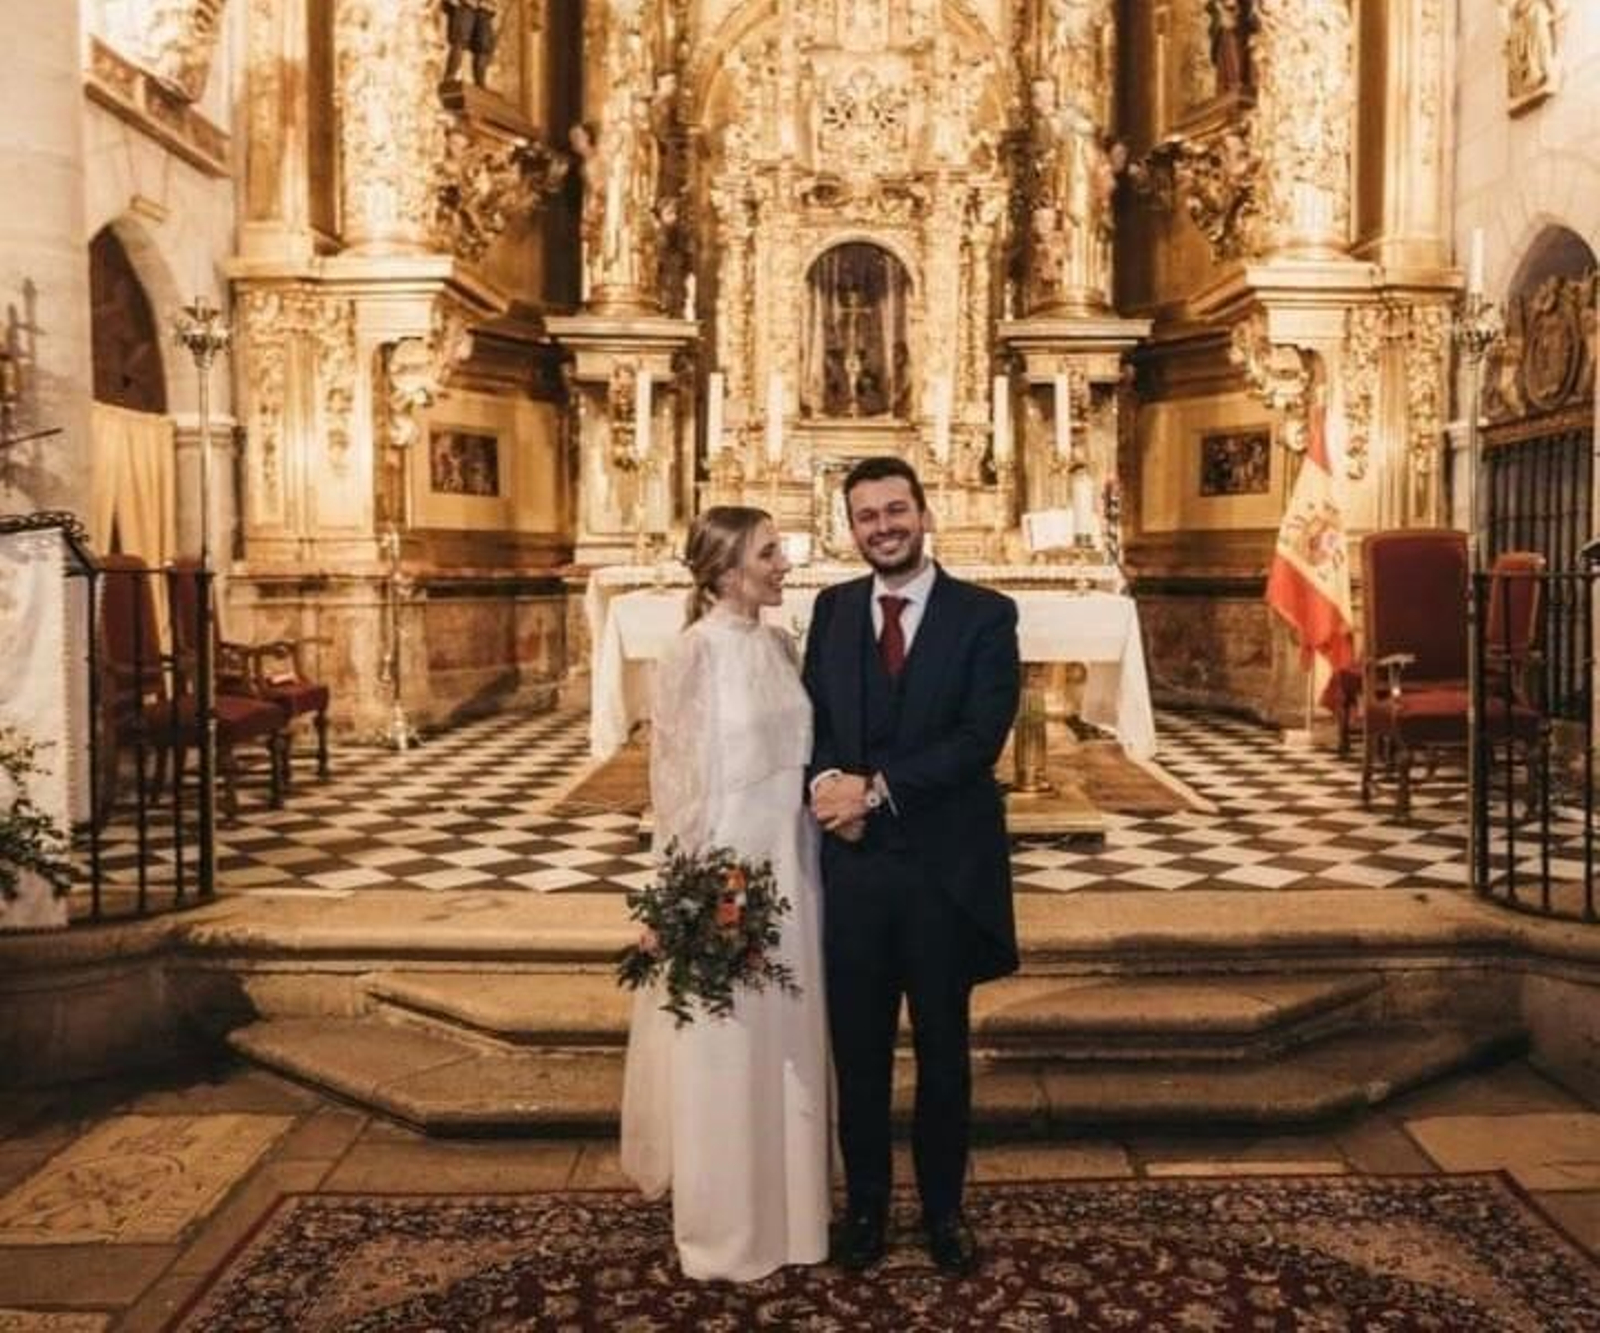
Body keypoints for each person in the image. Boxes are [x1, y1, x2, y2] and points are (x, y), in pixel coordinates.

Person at [803, 457, 1021, 1276]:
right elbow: (812, 721)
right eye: (867, 516)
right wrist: (828, 783)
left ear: (925, 514)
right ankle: (864, 1207)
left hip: (940, 871)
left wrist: (878, 790)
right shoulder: (829, 610)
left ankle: (942, 1211)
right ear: (850, 527)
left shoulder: (985, 615)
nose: (883, 527)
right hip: (853, 870)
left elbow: (978, 738)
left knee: (943, 1054)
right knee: (856, 1054)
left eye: (896, 510)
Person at [619, 506, 830, 1282]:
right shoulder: (692, 654)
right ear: (726, 568)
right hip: (728, 871)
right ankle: (725, 1228)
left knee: (789, 1039)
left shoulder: (779, 643)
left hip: (793, 863)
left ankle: (796, 1218)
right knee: (729, 1039)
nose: (786, 563)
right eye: (771, 552)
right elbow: (676, 785)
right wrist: (690, 893)